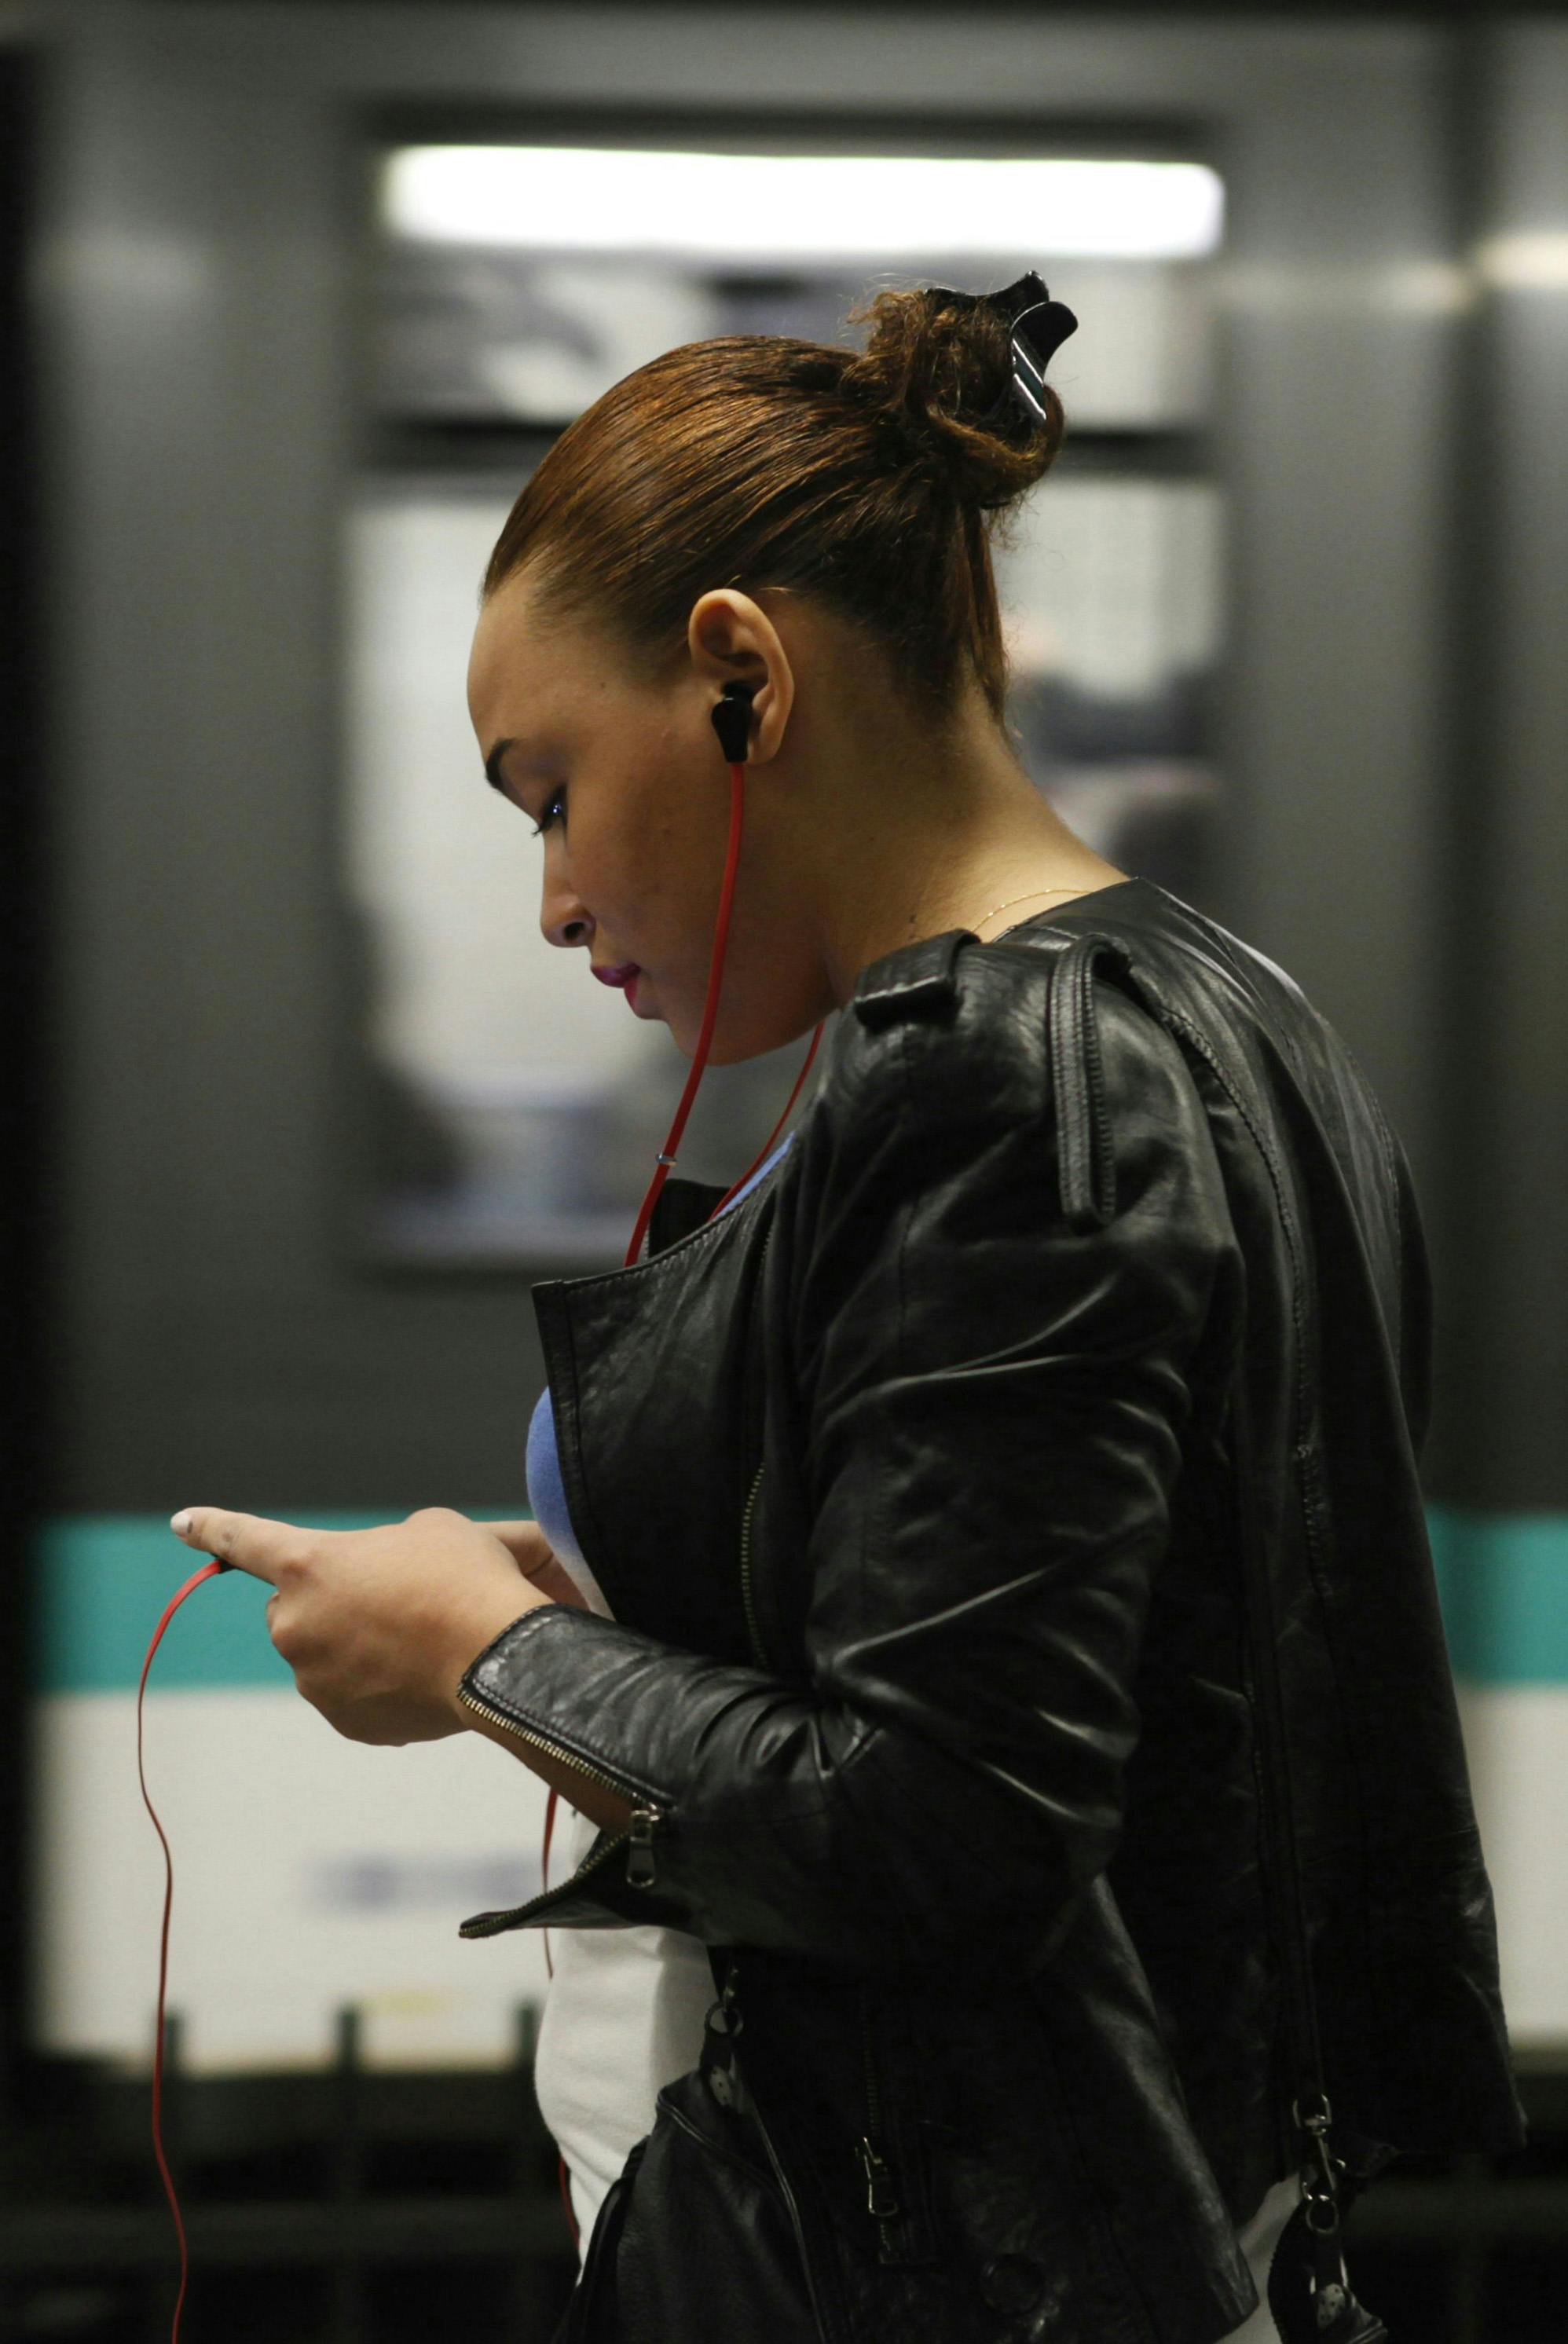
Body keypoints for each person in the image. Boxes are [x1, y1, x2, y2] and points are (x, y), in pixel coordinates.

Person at [174, 279, 1526, 2342]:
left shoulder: (1002, 1090)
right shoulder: (1212, 1007)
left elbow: (940, 1834)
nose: (548, 895)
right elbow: (1098, 1654)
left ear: (739, 676)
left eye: (545, 792)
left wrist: (490, 1655)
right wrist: (627, 1608)